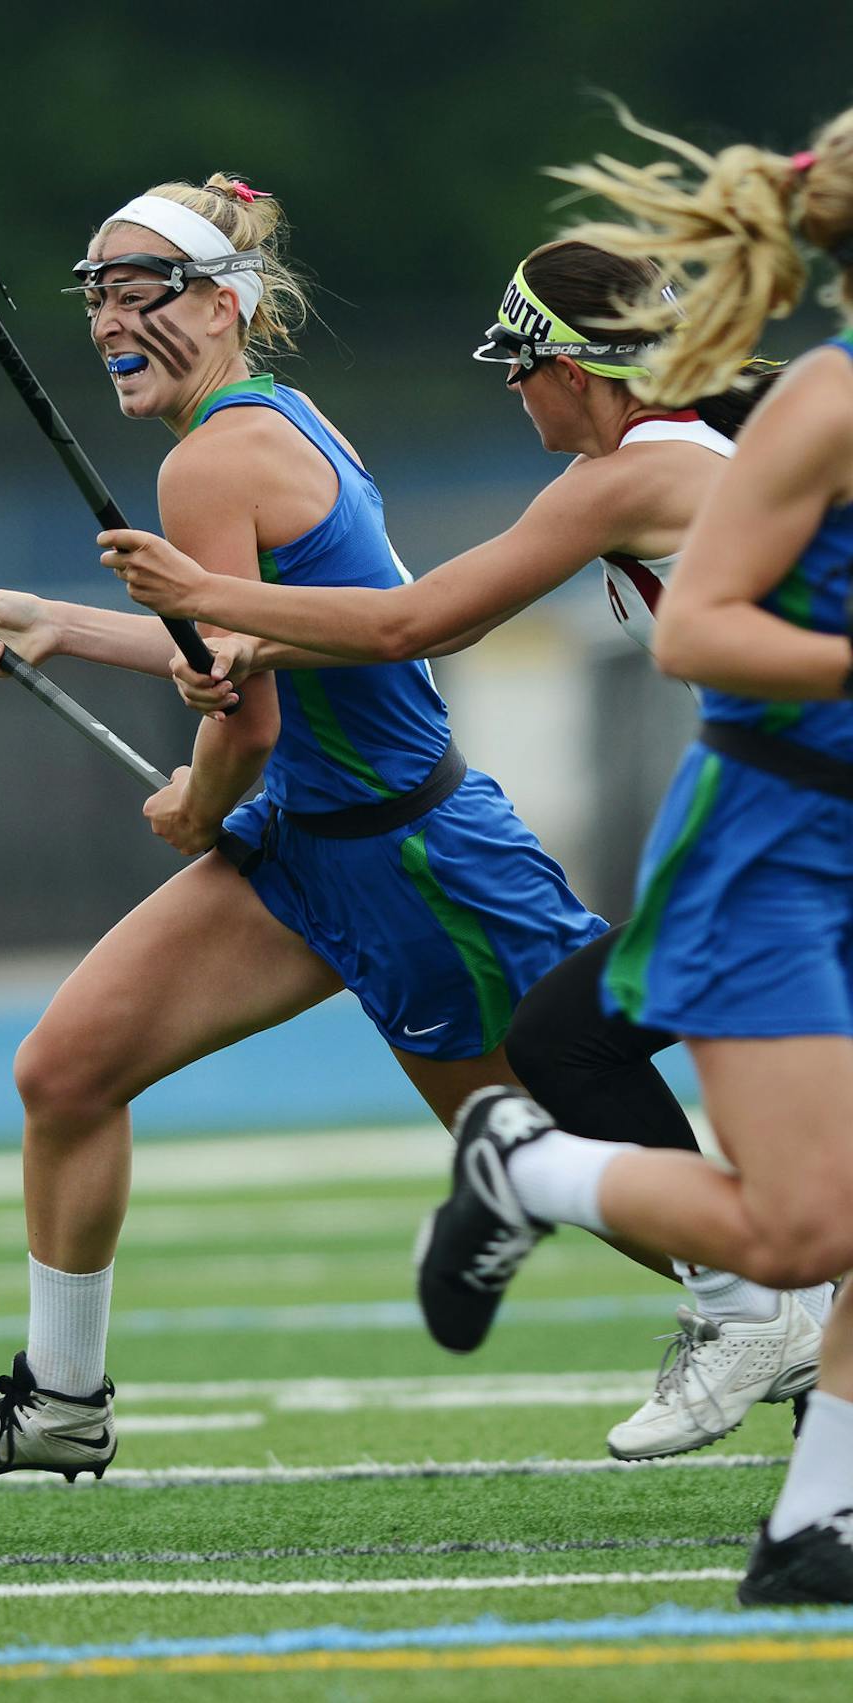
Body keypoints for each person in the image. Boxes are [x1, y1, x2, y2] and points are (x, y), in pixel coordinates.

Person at [0, 175, 601, 1491]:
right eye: (94, 290)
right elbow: (239, 640)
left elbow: (244, 715)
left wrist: (194, 807)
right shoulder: (271, 420)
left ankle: (777, 1310)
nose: (107, 316)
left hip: (405, 854)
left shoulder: (207, 459)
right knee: (70, 1070)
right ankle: (61, 1397)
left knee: (545, 1152)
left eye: (137, 286)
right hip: (314, 839)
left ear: (221, 301)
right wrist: (59, 619)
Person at [103, 237, 825, 1461]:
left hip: (814, 817)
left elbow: (412, 620)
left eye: (518, 365)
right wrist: (142, 628)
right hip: (810, 806)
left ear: (577, 370)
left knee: (572, 1040)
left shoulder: (621, 479)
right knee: (583, 1040)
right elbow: (380, 626)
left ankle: (754, 1307)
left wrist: (206, 591)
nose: (510, 388)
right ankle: (772, 1328)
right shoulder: (687, 444)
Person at [416, 104, 853, 1606]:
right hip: (782, 830)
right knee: (811, 1221)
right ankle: (530, 1161)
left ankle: (816, 1525)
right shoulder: (817, 403)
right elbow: (697, 628)